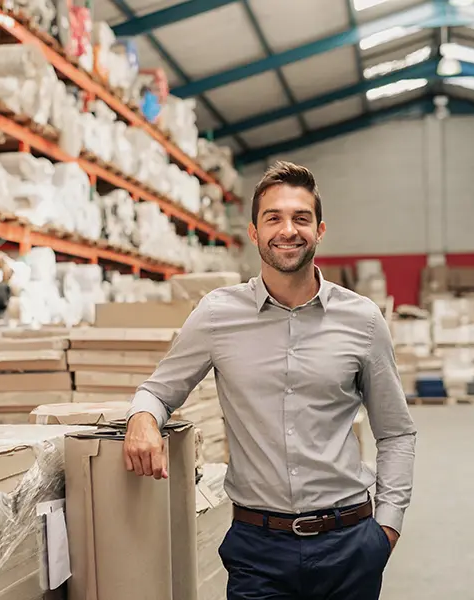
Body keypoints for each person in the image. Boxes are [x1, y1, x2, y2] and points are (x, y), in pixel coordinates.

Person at [122, 161, 416, 600]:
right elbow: (159, 390)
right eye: (273, 218)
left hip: (348, 542)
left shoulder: (362, 320)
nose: (288, 230)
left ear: (319, 230)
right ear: (254, 232)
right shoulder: (218, 314)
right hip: (258, 547)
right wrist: (142, 418)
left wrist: (387, 528)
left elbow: (395, 431)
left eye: (301, 218)